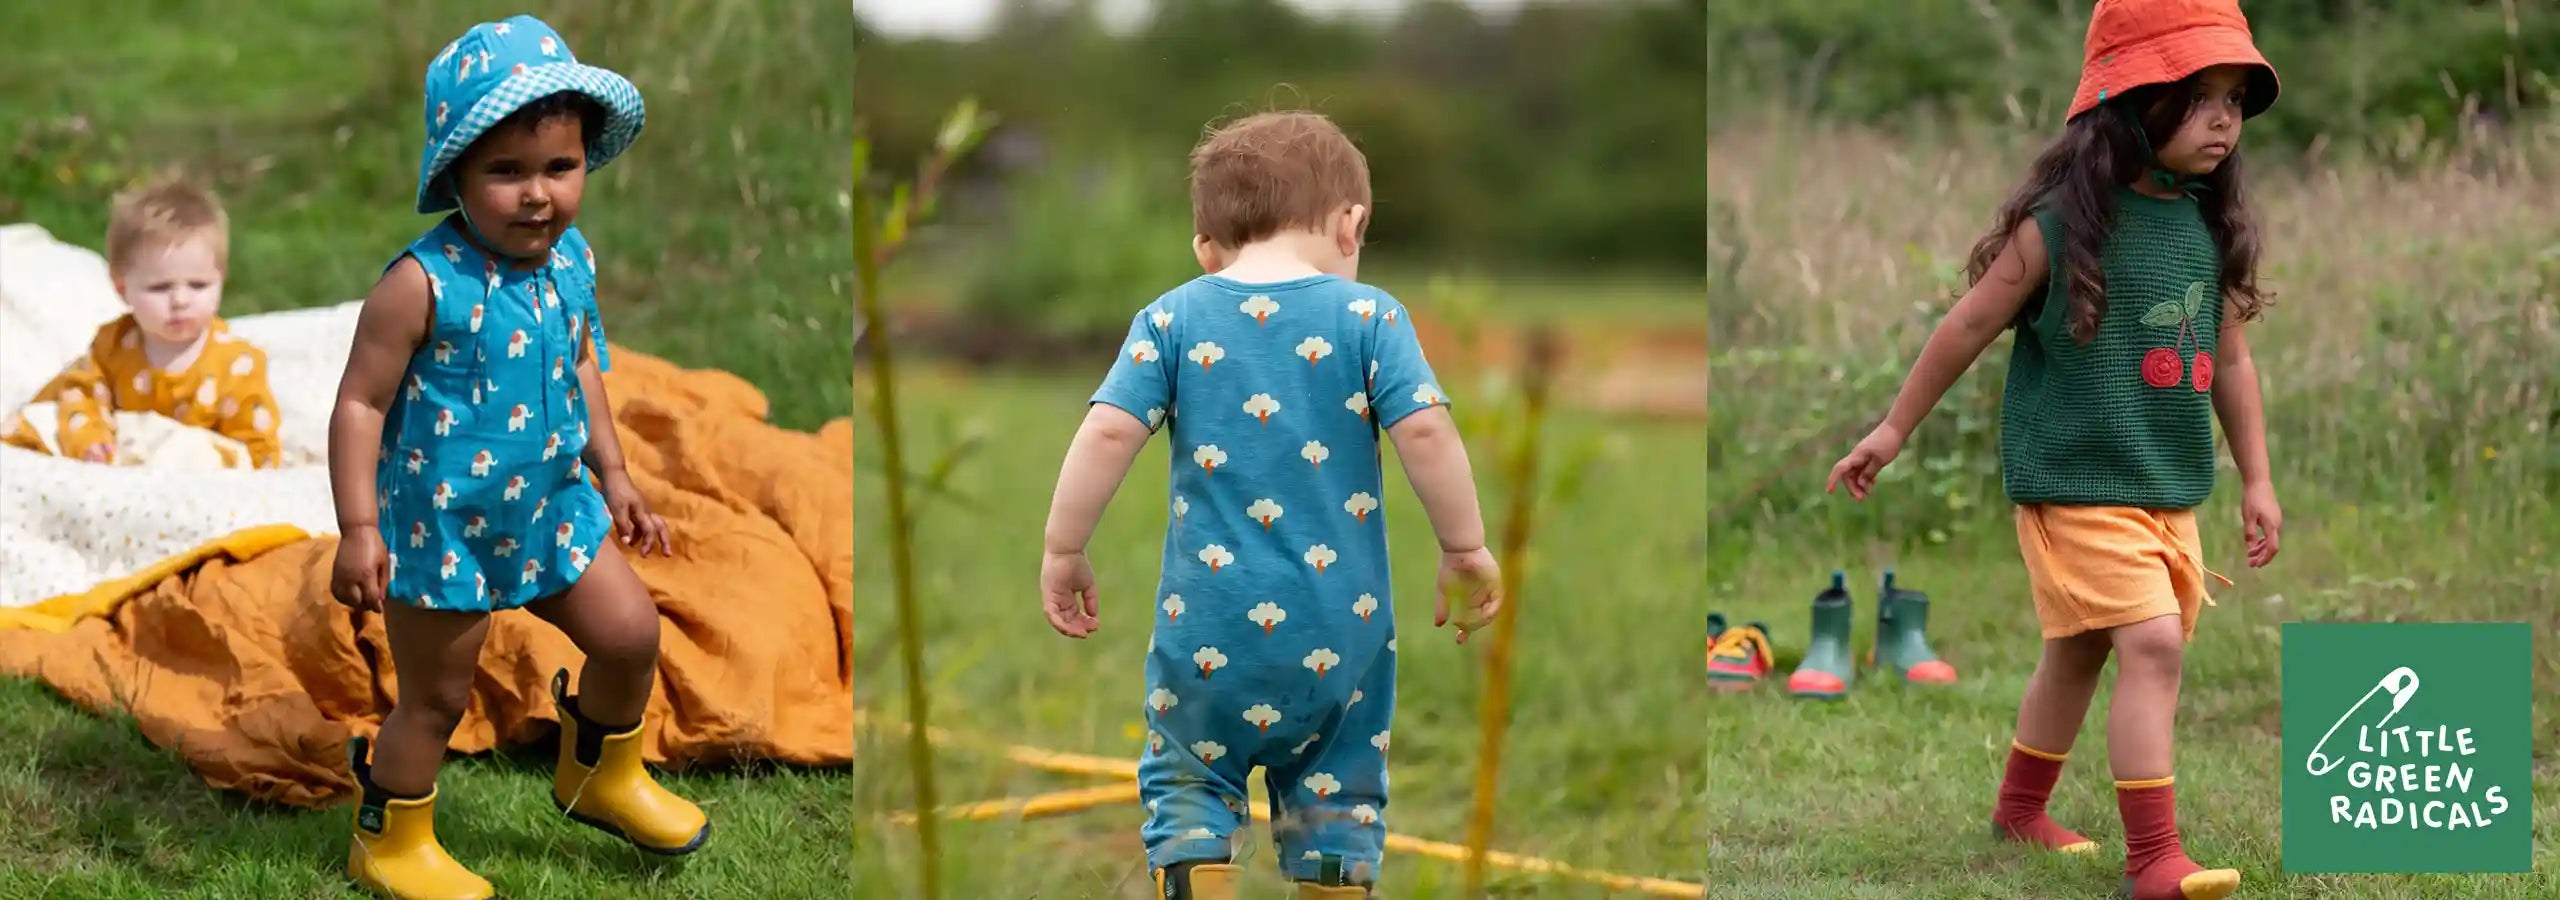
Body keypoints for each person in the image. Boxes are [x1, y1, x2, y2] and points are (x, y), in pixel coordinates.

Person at [1824, 2, 2284, 898]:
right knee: (2152, 645)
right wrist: (1891, 430)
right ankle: (2155, 859)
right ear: (2131, 106)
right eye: (2200, 98)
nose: (2225, 120)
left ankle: (2020, 809)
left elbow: (2231, 359)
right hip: (2075, 481)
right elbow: (1967, 326)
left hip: (2164, 487)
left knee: (2079, 652)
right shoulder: (2058, 228)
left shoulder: (2204, 230)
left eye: (2234, 99)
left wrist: (2258, 478)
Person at [1036, 110, 1503, 900]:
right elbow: (1425, 430)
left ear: (1206, 248)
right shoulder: (1371, 318)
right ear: (1352, 224)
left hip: (1206, 634)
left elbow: (1110, 432)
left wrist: (1063, 547)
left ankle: (1195, 868)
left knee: (1188, 779)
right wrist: (1463, 546)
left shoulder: (1172, 318)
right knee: (1338, 798)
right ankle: (1331, 877)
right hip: (1339, 636)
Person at [323, 15, 700, 899]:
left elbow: (580, 364)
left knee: (631, 634)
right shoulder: (419, 285)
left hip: (551, 506)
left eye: (559, 169)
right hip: (442, 525)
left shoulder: (570, 263)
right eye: (506, 172)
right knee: (435, 701)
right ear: (456, 175)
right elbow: (358, 403)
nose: (538, 194)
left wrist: (615, 476)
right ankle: (389, 835)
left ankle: (598, 772)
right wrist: (358, 528)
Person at [2, 176, 284, 468]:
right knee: (42, 421)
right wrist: (90, 443)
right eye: (160, 288)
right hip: (126, 465)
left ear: (221, 281)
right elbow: (80, 396)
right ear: (122, 288)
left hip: (193, 474)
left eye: (198, 285)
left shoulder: (236, 364)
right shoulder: (113, 346)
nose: (180, 301)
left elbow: (256, 443)